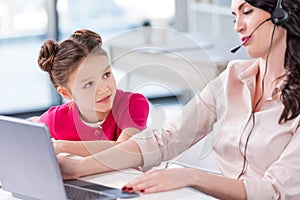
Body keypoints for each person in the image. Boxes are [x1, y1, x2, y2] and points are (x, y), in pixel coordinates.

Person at [56, 0, 300, 199]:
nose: (238, 27)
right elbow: (165, 139)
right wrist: (79, 167)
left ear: (281, 13)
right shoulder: (233, 78)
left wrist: (192, 177)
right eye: (234, 17)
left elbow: (275, 191)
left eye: (247, 12)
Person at [32, 29, 149, 156]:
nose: (104, 89)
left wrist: (62, 146)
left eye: (106, 75)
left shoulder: (132, 104)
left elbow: (124, 149)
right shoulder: (56, 119)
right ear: (66, 93)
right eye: (89, 84)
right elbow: (29, 126)